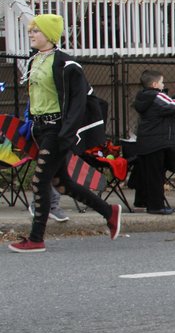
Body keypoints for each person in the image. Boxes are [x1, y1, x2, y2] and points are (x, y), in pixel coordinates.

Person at [9, 14, 122, 252]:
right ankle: (109, 211)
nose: (31, 34)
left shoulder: (67, 65)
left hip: (57, 129)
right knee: (62, 183)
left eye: (35, 31)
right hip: (39, 128)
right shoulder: (34, 60)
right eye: (30, 30)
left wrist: (67, 133)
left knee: (40, 181)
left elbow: (79, 102)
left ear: (49, 35)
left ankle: (36, 238)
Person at [132, 70, 175, 215]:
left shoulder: (144, 98)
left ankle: (145, 202)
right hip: (157, 142)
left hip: (146, 141)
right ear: (155, 84)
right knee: (156, 176)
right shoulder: (157, 96)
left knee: (150, 174)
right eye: (162, 82)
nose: (164, 85)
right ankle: (156, 206)